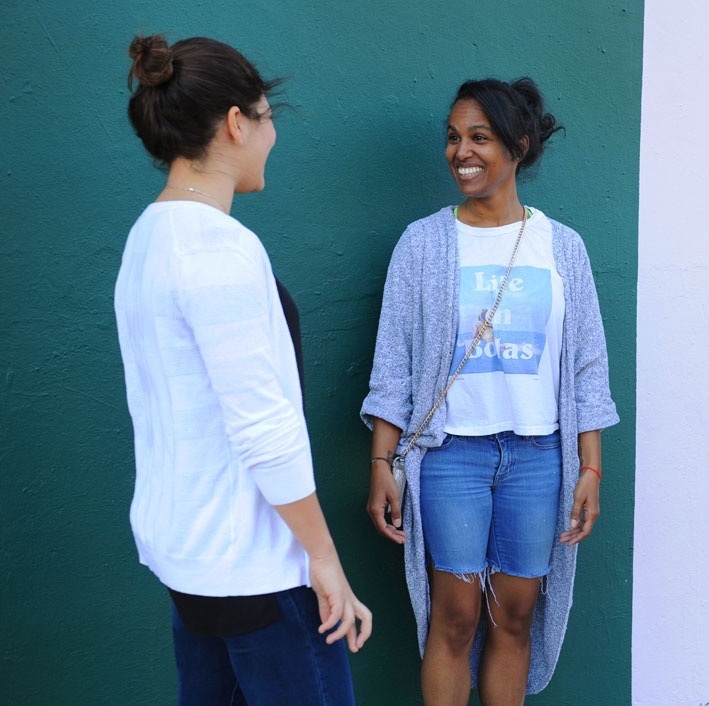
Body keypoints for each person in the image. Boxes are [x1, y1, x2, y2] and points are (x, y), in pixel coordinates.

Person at [116, 34, 371, 705]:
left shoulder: (148, 237)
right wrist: (323, 559)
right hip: (256, 569)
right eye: (267, 115)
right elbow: (263, 427)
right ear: (236, 123)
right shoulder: (220, 250)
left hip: (191, 562)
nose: (271, 134)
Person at [361, 77, 618, 705]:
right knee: (454, 617)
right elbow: (393, 363)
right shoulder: (423, 243)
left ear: (519, 145)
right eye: (453, 137)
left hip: (538, 458)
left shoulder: (563, 247)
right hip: (452, 457)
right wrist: (381, 464)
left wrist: (590, 467)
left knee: (517, 616)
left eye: (479, 136)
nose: (461, 151)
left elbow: (586, 366)